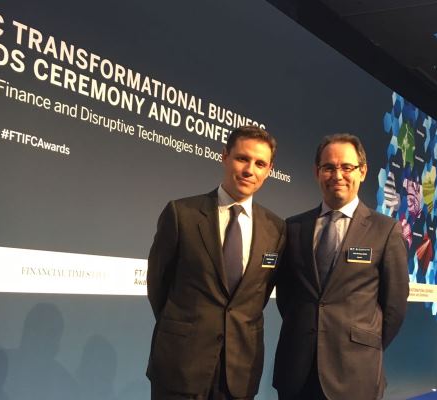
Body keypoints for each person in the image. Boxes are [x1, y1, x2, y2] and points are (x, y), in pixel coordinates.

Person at [146, 126, 286, 400]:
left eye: (260, 164)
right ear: (224, 156)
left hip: (239, 371)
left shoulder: (276, 229)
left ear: (269, 170)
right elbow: (158, 285)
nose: (249, 170)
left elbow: (258, 294)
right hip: (180, 364)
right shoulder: (182, 214)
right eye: (242, 158)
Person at [273, 133, 409, 400]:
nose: (337, 175)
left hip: (355, 371)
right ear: (317, 172)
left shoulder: (386, 230)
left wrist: (365, 344)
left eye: (347, 167)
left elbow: (394, 306)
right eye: (329, 167)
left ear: (363, 171)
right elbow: (287, 297)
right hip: (297, 370)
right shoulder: (294, 227)